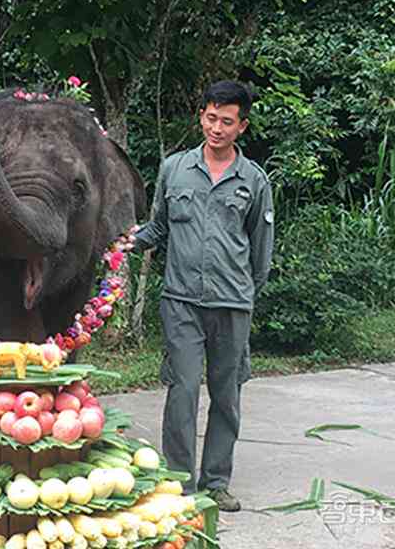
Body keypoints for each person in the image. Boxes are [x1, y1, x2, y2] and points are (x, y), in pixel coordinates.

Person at [132, 81, 274, 512]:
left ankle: (216, 480)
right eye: (211, 117)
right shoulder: (174, 169)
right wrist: (122, 241)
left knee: (226, 393)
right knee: (183, 390)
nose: (216, 127)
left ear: (241, 126)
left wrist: (242, 292)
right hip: (181, 302)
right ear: (202, 117)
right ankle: (179, 482)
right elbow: (158, 228)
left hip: (232, 305)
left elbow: (260, 252)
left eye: (226, 121)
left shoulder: (253, 180)